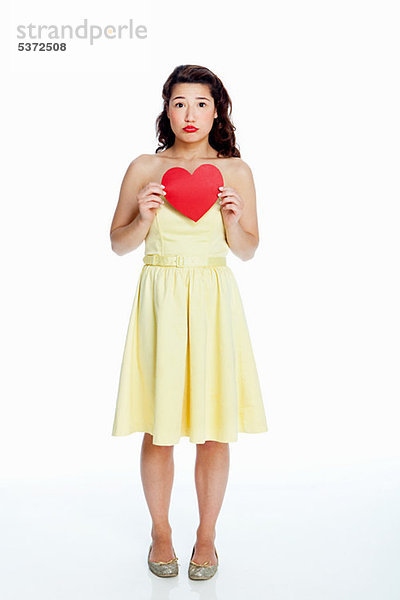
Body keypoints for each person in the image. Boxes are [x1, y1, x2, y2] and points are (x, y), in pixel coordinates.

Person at [109, 64, 268, 580]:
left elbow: (247, 250)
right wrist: (144, 216)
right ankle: (161, 534)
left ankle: (206, 537)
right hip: (160, 298)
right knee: (159, 429)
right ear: (167, 109)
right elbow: (118, 244)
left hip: (214, 299)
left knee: (214, 430)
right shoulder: (144, 167)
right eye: (180, 103)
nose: (190, 114)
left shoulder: (236, 170)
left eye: (201, 103)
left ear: (216, 108)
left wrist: (229, 220)